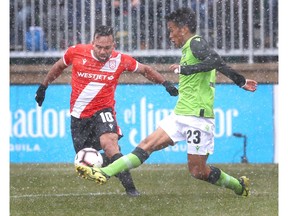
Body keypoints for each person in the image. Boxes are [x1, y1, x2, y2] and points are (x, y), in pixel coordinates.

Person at [75, 8, 258, 197]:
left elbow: (215, 61)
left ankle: (238, 186)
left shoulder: (196, 43)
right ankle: (104, 172)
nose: (170, 36)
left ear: (183, 29)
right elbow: (216, 63)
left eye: (171, 30)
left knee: (198, 171)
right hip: (180, 114)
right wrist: (241, 81)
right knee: (146, 145)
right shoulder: (189, 48)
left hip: (198, 117)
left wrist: (187, 70)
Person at [35, 25, 178, 197]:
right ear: (92, 43)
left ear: (114, 45)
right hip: (79, 116)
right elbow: (58, 66)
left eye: (107, 48)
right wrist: (43, 86)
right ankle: (114, 162)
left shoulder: (120, 60)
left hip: (103, 110)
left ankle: (131, 190)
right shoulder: (76, 52)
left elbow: (145, 70)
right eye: (99, 47)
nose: (103, 51)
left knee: (109, 145)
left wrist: (165, 84)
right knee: (85, 161)